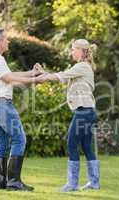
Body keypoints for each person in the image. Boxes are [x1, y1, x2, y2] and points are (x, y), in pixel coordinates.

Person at [35, 39, 100, 192]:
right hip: (88, 112)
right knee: (86, 147)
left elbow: (61, 76)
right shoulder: (82, 67)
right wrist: (44, 74)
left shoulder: (82, 66)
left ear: (82, 51)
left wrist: (36, 78)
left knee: (71, 144)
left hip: (83, 112)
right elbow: (63, 77)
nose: (72, 52)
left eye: (73, 49)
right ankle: (94, 182)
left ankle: (72, 184)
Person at [0, 28, 42, 191]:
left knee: (1, 143)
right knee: (19, 138)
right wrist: (34, 78)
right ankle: (14, 181)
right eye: (6, 39)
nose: (8, 42)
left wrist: (32, 75)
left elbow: (11, 79)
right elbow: (10, 78)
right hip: (2, 106)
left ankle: (1, 182)